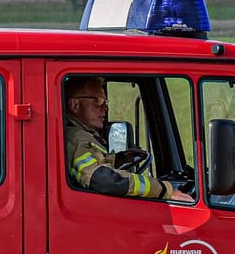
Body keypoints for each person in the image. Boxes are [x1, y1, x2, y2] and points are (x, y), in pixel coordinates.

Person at [63, 76, 192, 202]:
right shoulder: (76, 139)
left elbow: (89, 168)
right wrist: (164, 190)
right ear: (75, 105)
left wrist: (119, 159)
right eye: (99, 101)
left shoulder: (75, 135)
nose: (106, 108)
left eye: (106, 102)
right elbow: (103, 179)